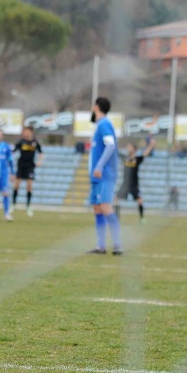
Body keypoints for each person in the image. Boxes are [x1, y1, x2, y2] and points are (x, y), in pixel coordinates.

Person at [86, 97, 121, 255]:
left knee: (106, 206)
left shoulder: (104, 124)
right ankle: (101, 246)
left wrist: (99, 166)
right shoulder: (99, 125)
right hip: (96, 176)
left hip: (105, 174)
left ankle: (118, 245)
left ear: (97, 107)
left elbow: (111, 145)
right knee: (97, 208)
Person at [117, 136, 154, 224]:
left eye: (130, 147)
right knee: (116, 200)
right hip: (125, 184)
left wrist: (151, 145)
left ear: (134, 149)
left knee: (140, 201)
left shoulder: (137, 159)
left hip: (134, 185)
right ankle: (116, 218)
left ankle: (142, 218)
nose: (128, 149)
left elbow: (145, 153)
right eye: (128, 147)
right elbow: (116, 152)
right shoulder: (125, 158)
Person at [12, 125, 43, 216]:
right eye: (24, 132)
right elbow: (13, 150)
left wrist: (39, 161)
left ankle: (28, 206)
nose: (25, 133)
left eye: (27, 132)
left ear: (31, 132)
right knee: (16, 185)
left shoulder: (35, 142)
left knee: (29, 186)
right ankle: (14, 204)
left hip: (30, 166)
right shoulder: (21, 142)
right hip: (21, 166)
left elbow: (41, 152)